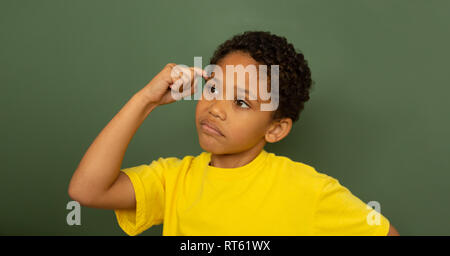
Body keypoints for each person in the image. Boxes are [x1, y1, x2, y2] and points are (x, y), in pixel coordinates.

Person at [68, 31, 399, 236]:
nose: (215, 107)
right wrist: (145, 100)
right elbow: (87, 190)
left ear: (276, 128)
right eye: (212, 87)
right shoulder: (174, 179)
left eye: (241, 102)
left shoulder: (309, 191)